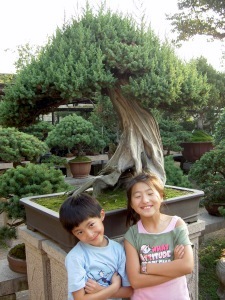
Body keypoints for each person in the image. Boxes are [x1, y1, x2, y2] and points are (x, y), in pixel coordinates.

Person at [124, 172, 194, 300]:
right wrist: (175, 268)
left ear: (161, 196)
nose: (145, 200)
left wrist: (146, 267)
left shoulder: (176, 224)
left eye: (150, 194)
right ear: (132, 204)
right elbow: (136, 281)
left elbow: (187, 266)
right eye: (138, 196)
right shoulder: (132, 235)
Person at [59, 192, 133, 300]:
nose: (89, 234)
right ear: (73, 234)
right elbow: (80, 298)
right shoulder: (75, 257)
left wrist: (101, 289)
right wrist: (114, 287)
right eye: (80, 232)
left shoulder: (118, 250)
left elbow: (129, 291)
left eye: (91, 225)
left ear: (102, 215)